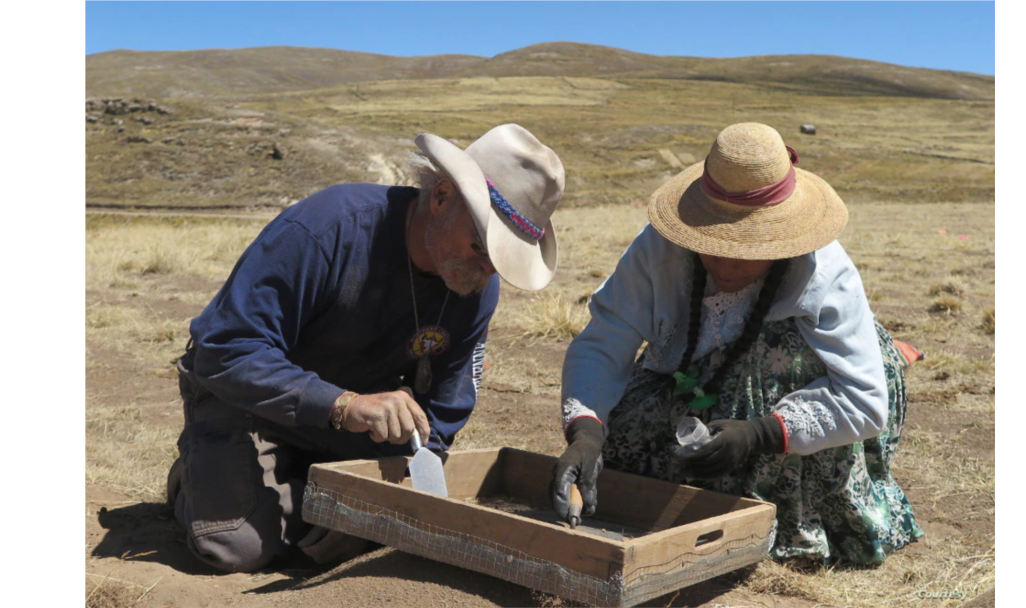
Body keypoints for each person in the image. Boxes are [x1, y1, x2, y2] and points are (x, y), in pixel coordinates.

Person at [169, 124, 565, 573]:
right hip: (246, 400)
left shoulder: (475, 284)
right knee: (237, 545)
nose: (487, 269)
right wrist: (341, 404)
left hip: (356, 420)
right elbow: (225, 349)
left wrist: (414, 471)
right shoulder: (328, 230)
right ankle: (198, 480)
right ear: (440, 197)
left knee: (381, 523)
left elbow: (449, 399)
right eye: (482, 246)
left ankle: (289, 488)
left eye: (501, 259)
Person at [551, 123, 922, 565]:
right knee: (628, 442)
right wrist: (587, 431)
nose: (725, 266)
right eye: (710, 244)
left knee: (777, 362)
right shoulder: (658, 249)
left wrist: (760, 433)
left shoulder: (824, 272)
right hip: (693, 371)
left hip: (798, 390)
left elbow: (863, 400)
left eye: (745, 248)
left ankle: (781, 516)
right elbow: (604, 341)